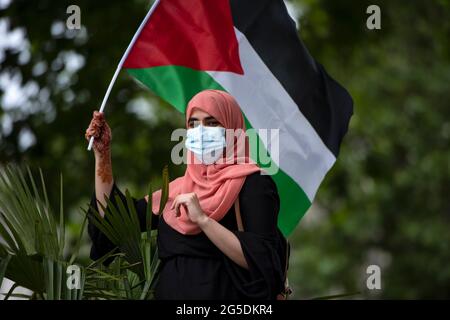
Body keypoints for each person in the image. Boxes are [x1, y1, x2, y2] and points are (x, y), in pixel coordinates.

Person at [85, 89, 287, 300]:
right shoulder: (179, 189)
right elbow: (114, 218)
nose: (200, 131)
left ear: (231, 128)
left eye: (211, 123)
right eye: (193, 124)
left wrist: (203, 220)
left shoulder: (254, 183)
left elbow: (263, 260)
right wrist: (103, 155)